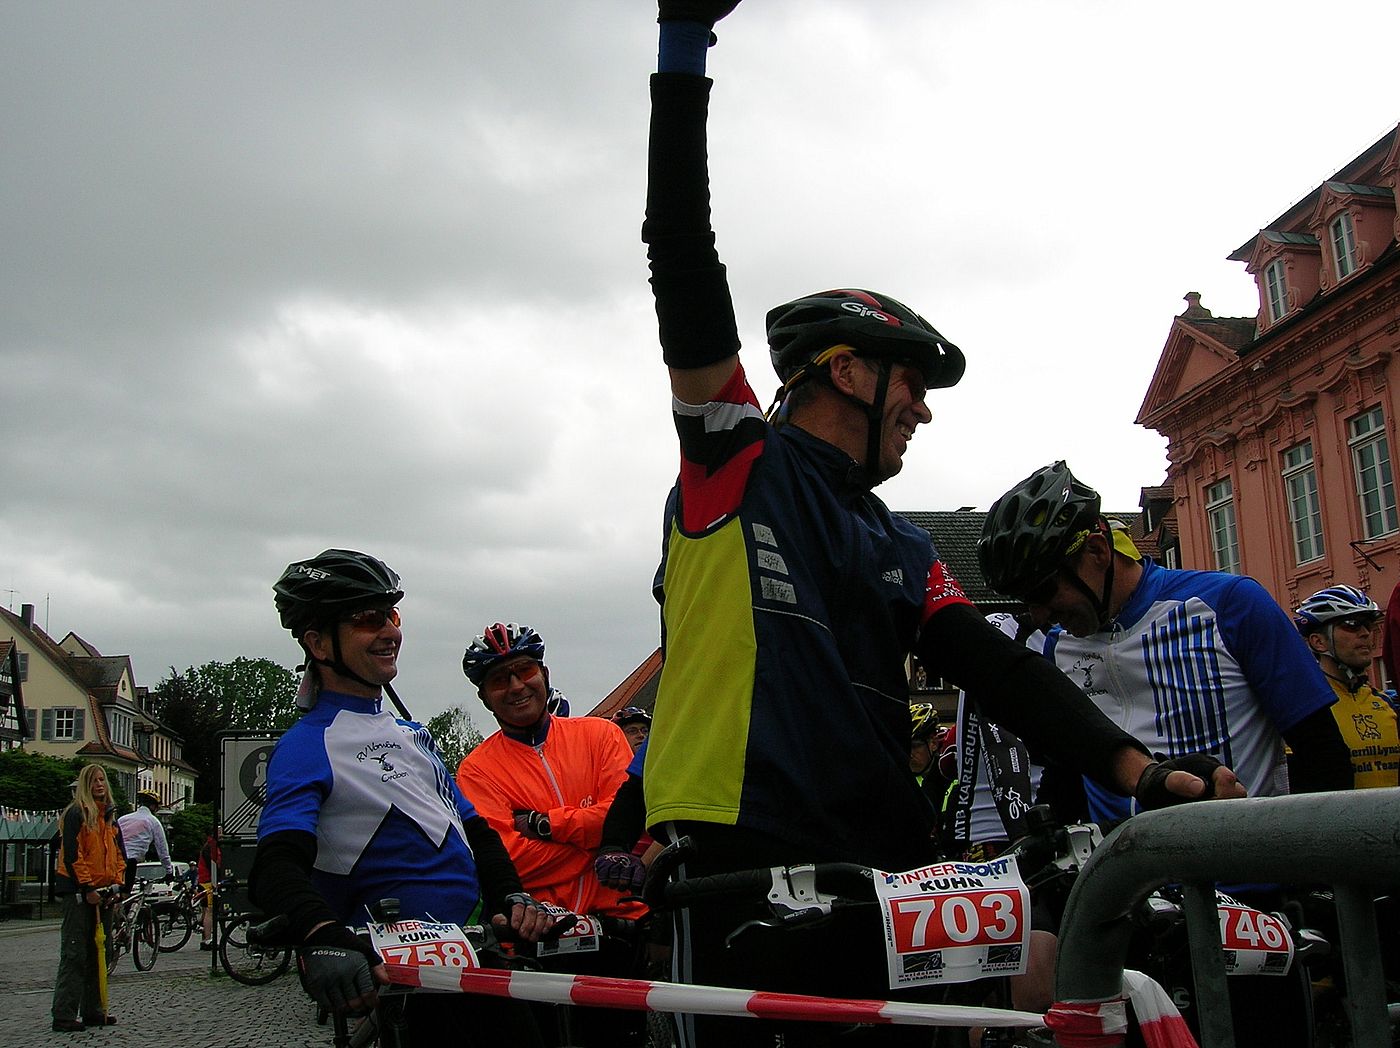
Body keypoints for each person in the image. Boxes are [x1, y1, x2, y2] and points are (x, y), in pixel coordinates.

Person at [639, 7, 1238, 1046]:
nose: (921, 408)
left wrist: (1138, 770)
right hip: (746, 855)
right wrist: (683, 44)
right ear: (843, 371)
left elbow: (997, 670)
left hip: (885, 860)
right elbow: (681, 261)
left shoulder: (903, 543)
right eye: (909, 382)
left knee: (1073, 971)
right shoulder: (736, 460)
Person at [249, 550, 559, 1033]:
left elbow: (474, 830)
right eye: (367, 620)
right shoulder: (307, 745)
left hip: (472, 954)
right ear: (318, 643)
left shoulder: (413, 735)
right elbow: (275, 865)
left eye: (392, 616)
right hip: (400, 979)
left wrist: (511, 896)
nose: (389, 632)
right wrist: (321, 932)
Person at [978, 460, 1352, 825]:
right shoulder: (1056, 646)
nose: (1039, 614)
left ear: (1097, 551)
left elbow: (1323, 752)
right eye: (1025, 602)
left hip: (1242, 860)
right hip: (1124, 865)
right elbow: (1071, 770)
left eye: (1044, 591)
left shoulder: (1229, 605)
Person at [457, 623, 646, 1048]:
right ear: (484, 697)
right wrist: (595, 843)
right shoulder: (477, 769)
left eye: (524, 671)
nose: (516, 686)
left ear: (543, 673)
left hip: (617, 926)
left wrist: (546, 825)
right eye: (499, 680)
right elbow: (509, 859)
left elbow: (625, 820)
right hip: (537, 935)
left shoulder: (600, 734)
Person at [1294, 585, 1400, 789]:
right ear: (1318, 642)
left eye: (1368, 625)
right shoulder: (1306, 709)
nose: (1365, 633)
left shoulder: (1387, 703)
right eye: (1352, 625)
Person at [51, 764, 125, 1032]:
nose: (99, 785)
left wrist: (117, 885)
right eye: (94, 781)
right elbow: (73, 854)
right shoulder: (76, 814)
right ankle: (64, 1013)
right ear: (86, 785)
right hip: (79, 892)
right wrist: (87, 887)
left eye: (102, 780)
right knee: (75, 952)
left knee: (100, 952)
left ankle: (94, 1009)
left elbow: (118, 854)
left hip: (103, 891)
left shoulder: (110, 818)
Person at [117, 790, 174, 893]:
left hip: (116, 861)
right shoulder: (153, 821)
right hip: (131, 863)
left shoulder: (122, 819)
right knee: (125, 894)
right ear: (153, 806)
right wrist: (169, 871)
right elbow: (162, 849)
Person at [196, 826, 221, 949]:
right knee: (209, 911)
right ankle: (207, 940)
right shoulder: (211, 846)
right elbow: (213, 863)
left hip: (204, 879)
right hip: (208, 881)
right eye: (220, 831)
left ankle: (204, 938)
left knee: (206, 910)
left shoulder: (209, 845)